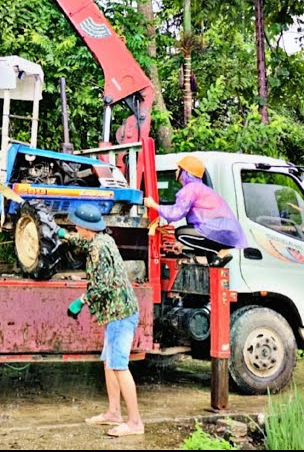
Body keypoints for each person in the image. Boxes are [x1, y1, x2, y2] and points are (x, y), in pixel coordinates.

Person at [58, 204, 144, 438]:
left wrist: (81, 301)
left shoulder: (98, 250)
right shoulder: (104, 240)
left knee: (119, 366)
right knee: (109, 363)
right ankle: (114, 412)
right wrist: (66, 236)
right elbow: (85, 243)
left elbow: (103, 285)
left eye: (76, 224)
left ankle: (135, 422)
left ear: (85, 226)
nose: (75, 226)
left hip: (120, 314)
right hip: (117, 312)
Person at [143, 154, 247, 266]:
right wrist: (181, 243)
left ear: (185, 172)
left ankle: (222, 252)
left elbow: (174, 214)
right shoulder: (203, 189)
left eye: (178, 169)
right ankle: (203, 258)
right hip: (228, 232)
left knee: (180, 233)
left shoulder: (190, 189)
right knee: (191, 231)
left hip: (216, 231)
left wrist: (153, 204)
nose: (176, 171)